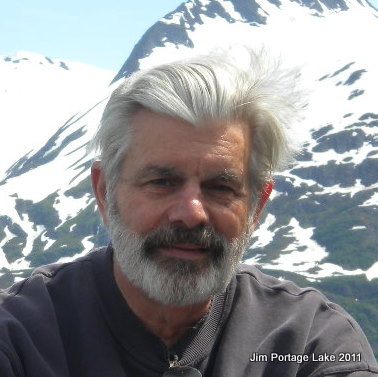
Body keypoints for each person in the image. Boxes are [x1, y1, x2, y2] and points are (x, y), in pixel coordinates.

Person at [0, 49, 377, 377]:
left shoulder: (311, 344)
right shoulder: (20, 337)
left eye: (220, 187)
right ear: (104, 190)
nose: (191, 213)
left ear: (257, 205)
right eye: (162, 181)